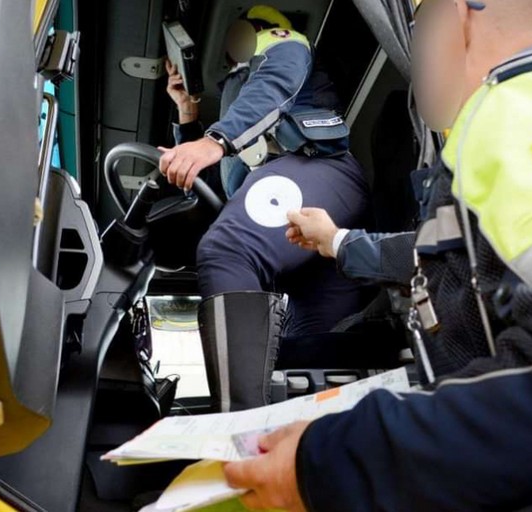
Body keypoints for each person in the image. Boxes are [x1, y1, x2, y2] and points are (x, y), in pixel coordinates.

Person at [221, 0, 532, 510]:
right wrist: (335, 240)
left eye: (420, 24)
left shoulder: (531, 105)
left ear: (461, 13)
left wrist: (334, 460)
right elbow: (441, 260)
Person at [158, 5, 372, 413]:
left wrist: (214, 140)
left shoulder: (281, 44)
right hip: (304, 237)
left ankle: (238, 425)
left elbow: (275, 85)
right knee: (304, 353)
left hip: (319, 170)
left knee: (226, 251)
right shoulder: (236, 91)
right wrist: (189, 115)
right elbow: (218, 181)